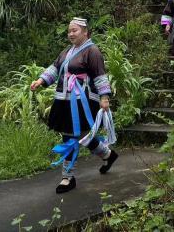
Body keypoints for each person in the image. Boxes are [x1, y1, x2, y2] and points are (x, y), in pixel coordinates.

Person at [30, 17, 118, 194]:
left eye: (74, 30)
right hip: (65, 99)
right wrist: (40, 80)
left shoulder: (92, 51)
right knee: (83, 136)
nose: (70, 34)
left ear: (85, 32)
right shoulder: (67, 51)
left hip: (82, 101)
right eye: (69, 31)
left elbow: (100, 75)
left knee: (70, 137)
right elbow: (55, 68)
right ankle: (108, 155)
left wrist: (105, 97)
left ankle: (67, 177)